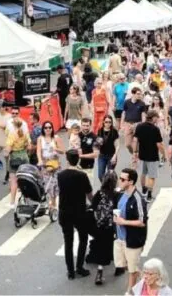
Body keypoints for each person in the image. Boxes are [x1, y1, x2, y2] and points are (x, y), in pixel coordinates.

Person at [57, 149, 93, 280]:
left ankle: (70, 271)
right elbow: (89, 194)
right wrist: (94, 205)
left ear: (67, 160)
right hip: (79, 212)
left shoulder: (60, 175)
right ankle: (79, 267)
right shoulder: (82, 176)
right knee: (83, 239)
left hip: (65, 212)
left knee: (68, 241)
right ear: (78, 160)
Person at [114, 168, 148, 295]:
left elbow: (142, 221)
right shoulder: (121, 194)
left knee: (131, 270)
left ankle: (130, 292)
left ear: (131, 182)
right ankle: (146, 277)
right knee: (122, 265)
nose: (120, 181)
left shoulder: (138, 199)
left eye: (123, 179)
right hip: (120, 238)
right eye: (120, 178)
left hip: (133, 240)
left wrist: (124, 222)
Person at [86, 172, 117, 285]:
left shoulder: (99, 194)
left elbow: (93, 208)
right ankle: (117, 267)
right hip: (110, 227)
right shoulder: (115, 195)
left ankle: (100, 271)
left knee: (99, 245)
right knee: (109, 247)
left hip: (97, 225)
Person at [133, 110, 165, 203]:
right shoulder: (155, 129)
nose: (157, 119)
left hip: (142, 155)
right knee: (152, 176)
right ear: (153, 117)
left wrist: (135, 152)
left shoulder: (139, 126)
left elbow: (135, 140)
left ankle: (144, 190)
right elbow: (159, 144)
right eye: (157, 117)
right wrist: (163, 154)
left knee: (143, 174)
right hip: (152, 156)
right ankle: (149, 195)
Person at [37, 121, 65, 211]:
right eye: (46, 127)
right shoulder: (40, 139)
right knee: (48, 186)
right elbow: (38, 151)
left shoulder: (56, 138)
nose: (48, 129)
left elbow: (63, 151)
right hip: (45, 165)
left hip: (55, 164)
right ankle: (52, 203)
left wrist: (55, 148)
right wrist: (40, 160)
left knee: (55, 185)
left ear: (52, 128)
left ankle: (53, 203)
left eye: (49, 127)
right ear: (43, 129)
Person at [5, 119, 31, 208]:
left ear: (13, 125)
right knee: (25, 179)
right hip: (24, 156)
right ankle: (27, 201)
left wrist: (7, 153)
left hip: (15, 157)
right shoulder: (25, 133)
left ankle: (12, 202)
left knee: (14, 181)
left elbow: (8, 150)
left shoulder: (12, 135)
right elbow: (29, 146)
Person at [122, 87, 147, 155]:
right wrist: (122, 125)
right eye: (138, 94)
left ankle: (135, 158)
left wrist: (143, 125)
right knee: (127, 144)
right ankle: (134, 154)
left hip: (137, 124)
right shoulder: (127, 102)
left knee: (136, 143)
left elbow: (143, 115)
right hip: (128, 124)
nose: (139, 95)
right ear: (133, 94)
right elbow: (124, 113)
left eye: (140, 94)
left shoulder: (142, 103)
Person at [96, 115, 119, 181]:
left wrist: (115, 156)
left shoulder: (114, 131)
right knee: (100, 175)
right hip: (102, 156)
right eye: (106, 122)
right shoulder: (100, 131)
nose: (108, 124)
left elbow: (117, 145)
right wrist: (98, 144)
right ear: (103, 122)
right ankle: (105, 187)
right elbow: (97, 144)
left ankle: (109, 189)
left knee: (110, 176)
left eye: (109, 122)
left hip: (111, 156)